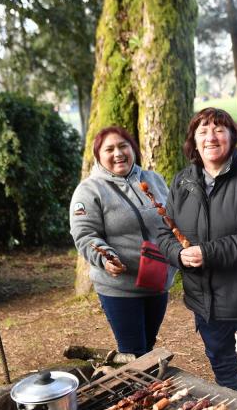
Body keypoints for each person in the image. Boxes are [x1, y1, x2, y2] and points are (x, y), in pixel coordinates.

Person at [157, 108, 237, 401]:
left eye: (219, 129)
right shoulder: (182, 181)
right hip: (205, 301)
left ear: (232, 136)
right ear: (194, 140)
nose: (210, 137)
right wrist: (177, 254)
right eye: (203, 131)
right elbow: (165, 233)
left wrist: (209, 253)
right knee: (223, 366)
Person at [70, 126, 176, 357]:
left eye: (123, 146)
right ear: (99, 156)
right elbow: (85, 235)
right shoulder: (89, 190)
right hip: (121, 288)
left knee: (147, 347)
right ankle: (132, 392)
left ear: (133, 149)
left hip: (157, 282)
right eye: (109, 149)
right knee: (133, 352)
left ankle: (145, 390)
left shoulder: (153, 179)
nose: (118, 153)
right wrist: (105, 258)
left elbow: (172, 219)